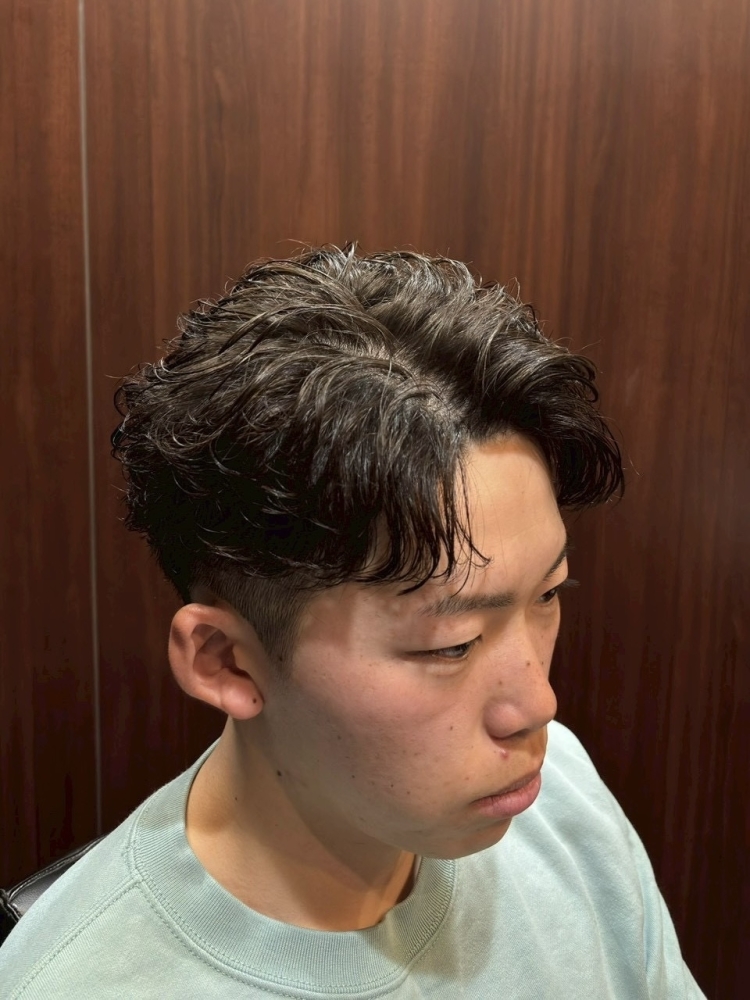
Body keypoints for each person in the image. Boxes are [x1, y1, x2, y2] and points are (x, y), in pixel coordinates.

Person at [0, 246, 706, 998]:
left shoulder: (561, 794)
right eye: (452, 644)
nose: (538, 707)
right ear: (226, 661)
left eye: (549, 595)